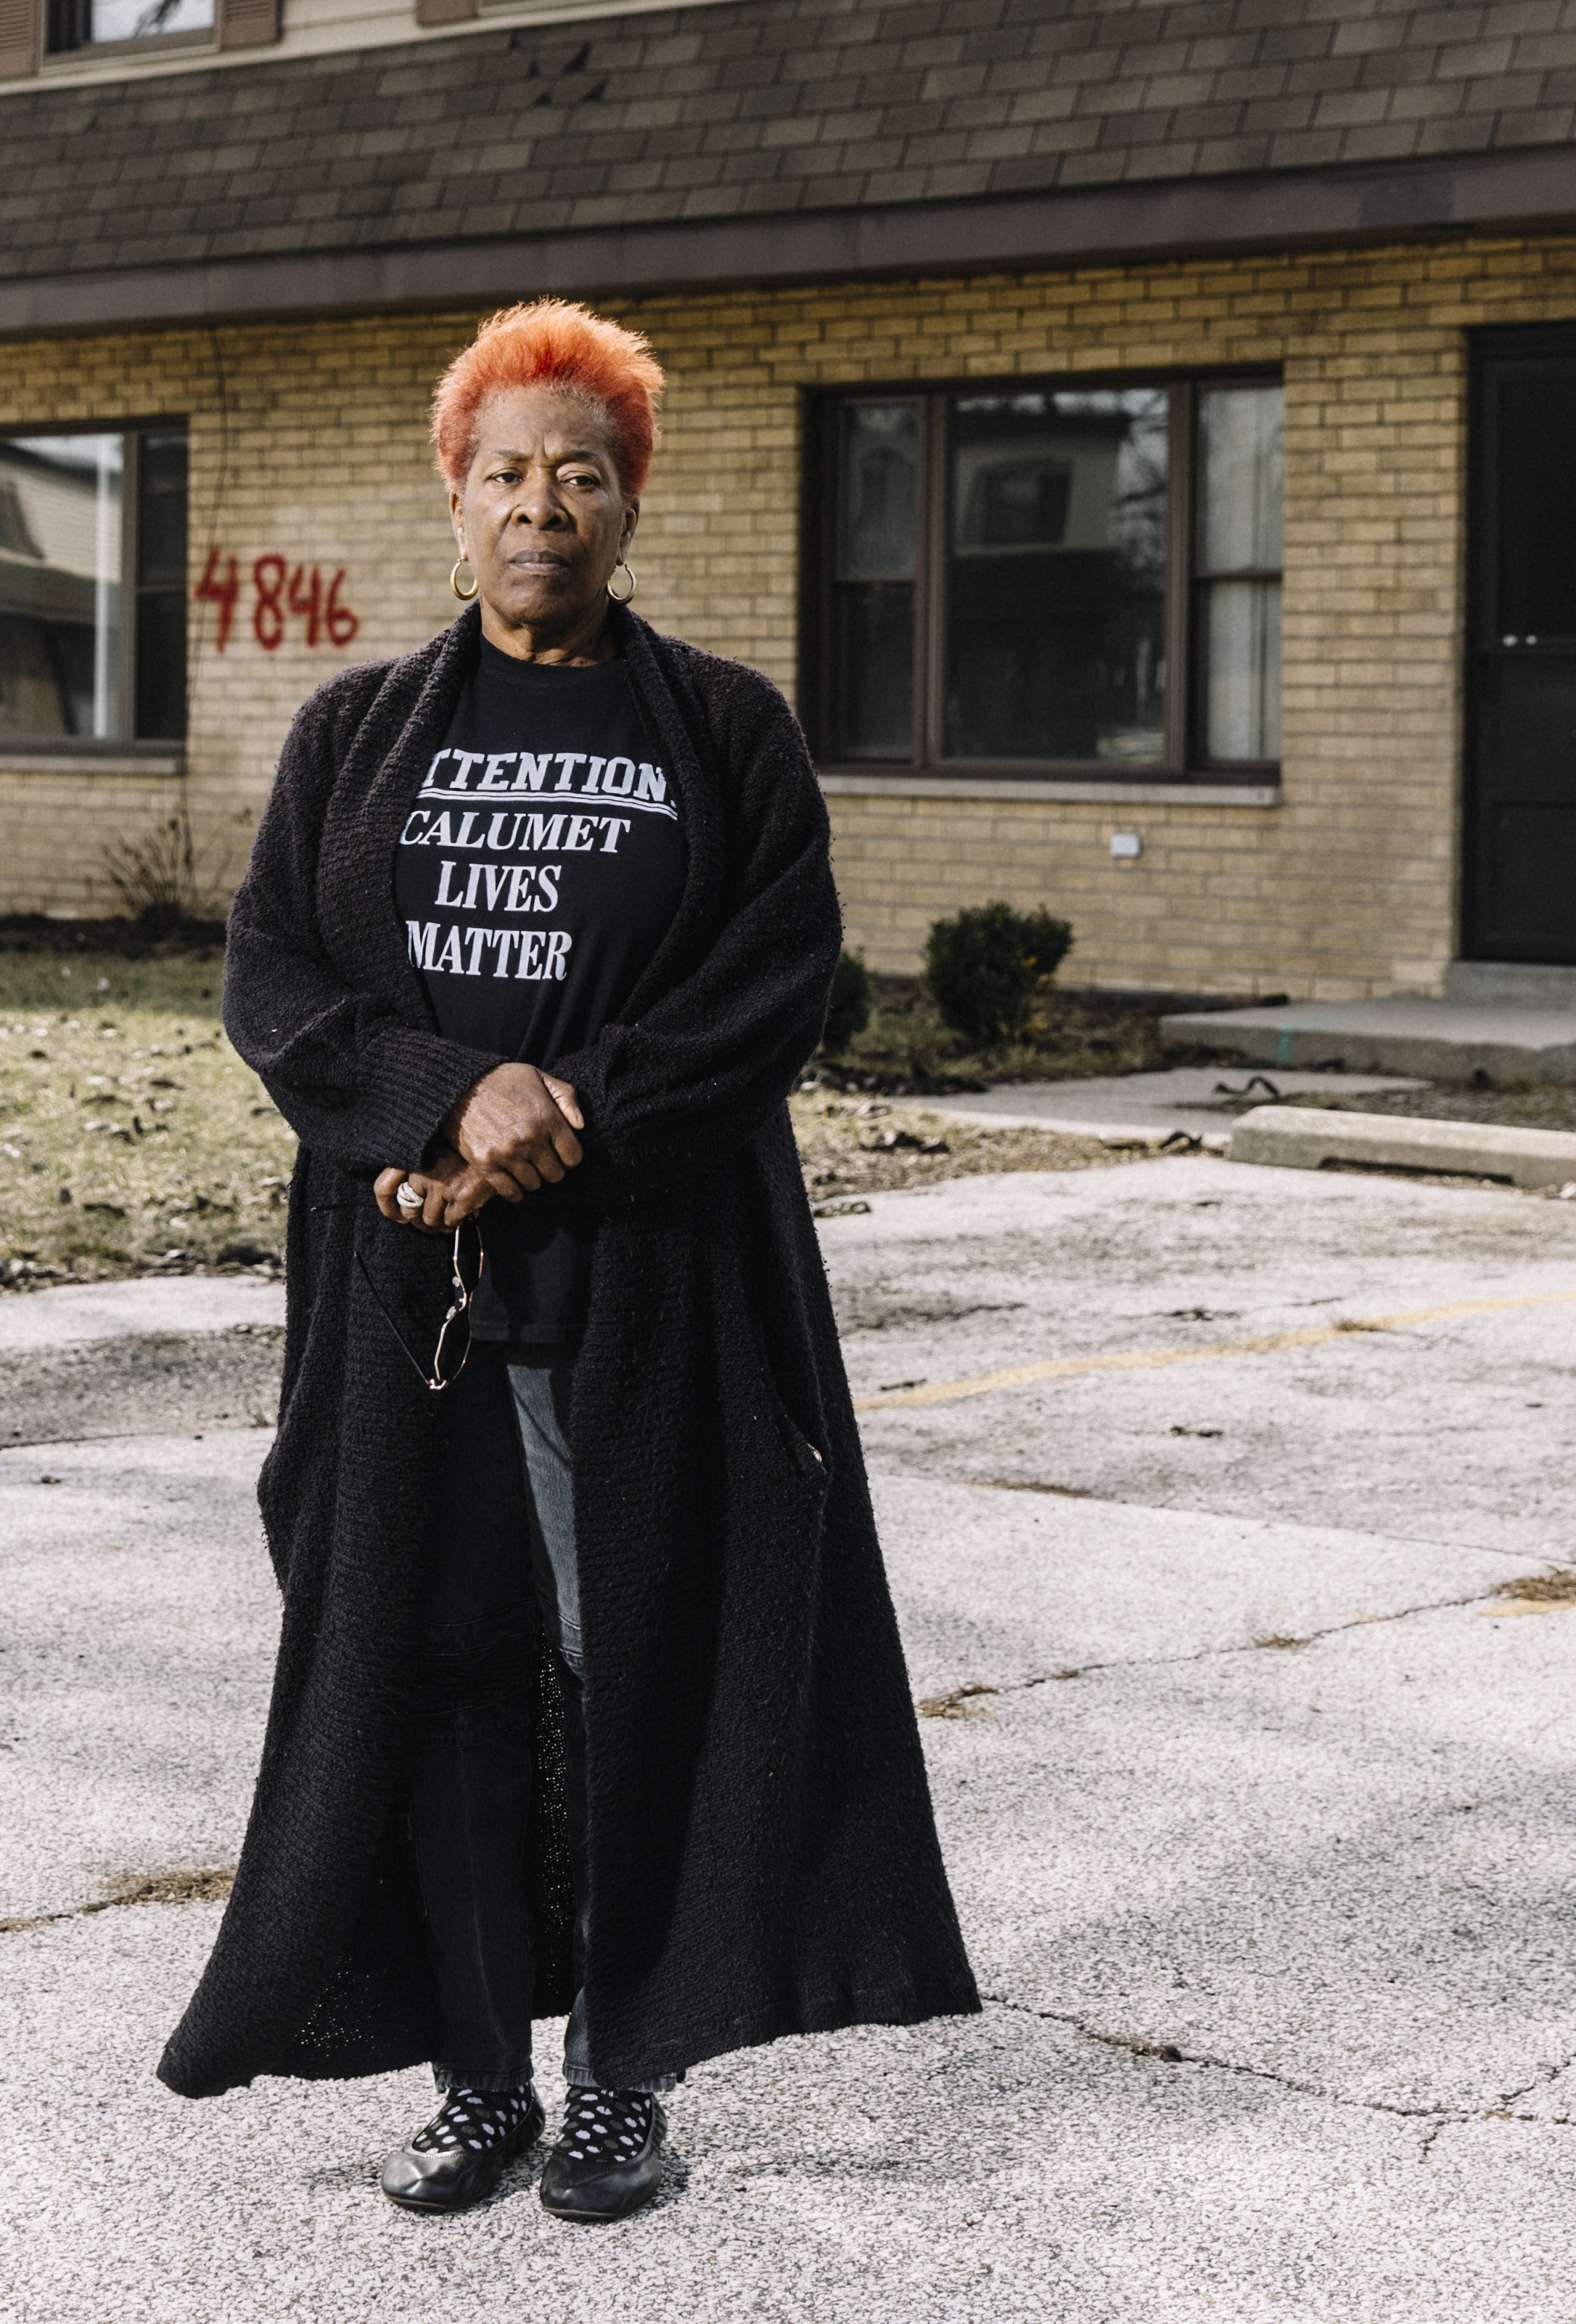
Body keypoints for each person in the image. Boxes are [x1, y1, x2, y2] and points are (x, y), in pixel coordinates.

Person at [157, 298, 977, 2223]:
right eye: (509, 472)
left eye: (582, 475)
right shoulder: (353, 737)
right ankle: (473, 2077)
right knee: (434, 1676)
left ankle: (622, 2075)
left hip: (651, 1293)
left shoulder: (722, 733)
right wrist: (448, 1100)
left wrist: (550, 1122)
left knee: (637, 1668)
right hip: (402, 1301)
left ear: (630, 506)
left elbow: (767, 993)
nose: (544, 506)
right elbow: (275, 984)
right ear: (454, 499)